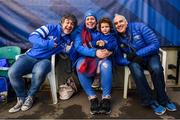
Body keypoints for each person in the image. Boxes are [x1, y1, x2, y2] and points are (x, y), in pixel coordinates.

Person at [8, 14, 77, 113]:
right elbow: (32, 36)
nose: (69, 25)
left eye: (72, 24)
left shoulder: (67, 40)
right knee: (12, 72)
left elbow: (71, 55)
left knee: (39, 71)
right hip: (30, 57)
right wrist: (48, 43)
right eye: (67, 22)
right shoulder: (50, 27)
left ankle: (31, 97)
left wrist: (72, 49)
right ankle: (21, 98)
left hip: (45, 60)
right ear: (62, 22)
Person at [113, 14, 177, 115]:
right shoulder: (116, 37)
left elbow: (155, 44)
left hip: (150, 56)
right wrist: (129, 60)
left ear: (126, 22)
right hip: (134, 61)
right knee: (136, 72)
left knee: (156, 69)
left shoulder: (139, 27)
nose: (118, 25)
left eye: (120, 21)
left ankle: (163, 99)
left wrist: (137, 54)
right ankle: (150, 101)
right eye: (116, 23)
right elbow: (118, 59)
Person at [74, 10, 113, 115]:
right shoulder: (80, 32)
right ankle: (92, 98)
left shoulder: (102, 30)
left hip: (103, 57)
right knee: (79, 66)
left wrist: (109, 50)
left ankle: (106, 98)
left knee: (106, 65)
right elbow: (78, 47)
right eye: (88, 19)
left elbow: (111, 41)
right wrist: (95, 52)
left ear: (96, 21)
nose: (90, 21)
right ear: (85, 21)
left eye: (92, 19)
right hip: (86, 56)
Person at [91, 17, 117, 88]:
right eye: (102, 27)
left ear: (110, 27)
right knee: (95, 63)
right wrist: (96, 43)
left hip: (109, 56)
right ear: (100, 28)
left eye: (107, 27)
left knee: (102, 65)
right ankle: (97, 79)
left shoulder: (112, 37)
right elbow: (93, 43)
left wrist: (105, 44)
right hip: (99, 55)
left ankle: (99, 80)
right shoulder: (99, 35)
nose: (104, 29)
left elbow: (113, 46)